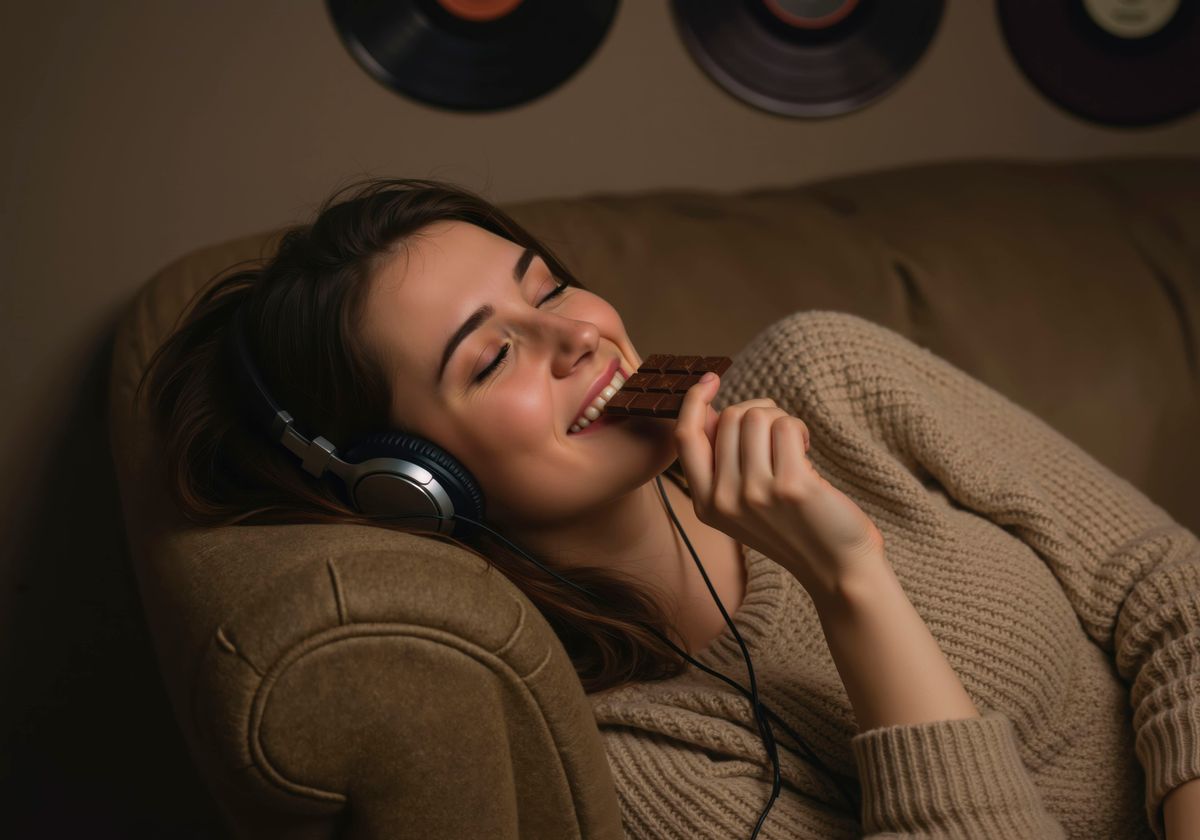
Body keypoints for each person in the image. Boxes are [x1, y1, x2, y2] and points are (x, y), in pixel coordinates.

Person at [139, 177, 1199, 839]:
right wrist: (852, 586)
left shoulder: (826, 376)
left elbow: (1170, 593)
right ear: (412, 486)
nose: (581, 337)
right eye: (495, 352)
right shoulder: (624, 762)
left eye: (548, 287)